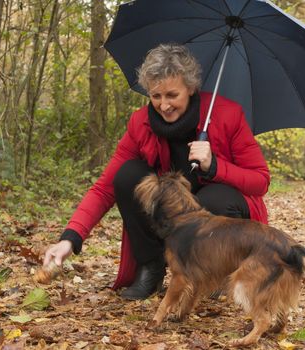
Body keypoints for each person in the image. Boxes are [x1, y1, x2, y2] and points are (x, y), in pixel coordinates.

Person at [43, 43, 270, 300]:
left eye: (172, 95)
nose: (164, 105)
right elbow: (105, 187)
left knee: (214, 199)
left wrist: (215, 166)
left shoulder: (227, 114)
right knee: (129, 175)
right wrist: (70, 239)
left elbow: (260, 181)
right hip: (173, 215)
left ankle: (214, 271)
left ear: (191, 88)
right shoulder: (140, 123)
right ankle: (151, 267)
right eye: (156, 96)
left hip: (217, 211)